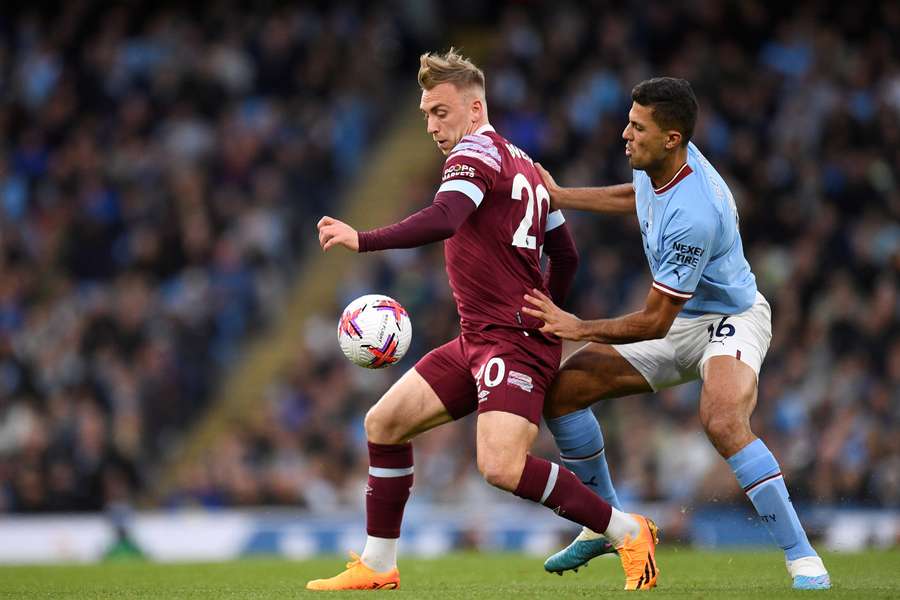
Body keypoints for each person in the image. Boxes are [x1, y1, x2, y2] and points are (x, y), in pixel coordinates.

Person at [309, 49, 659, 591]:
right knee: (384, 423)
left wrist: (364, 239)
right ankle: (378, 564)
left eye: (441, 112)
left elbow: (447, 218)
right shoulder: (527, 167)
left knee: (499, 465)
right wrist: (553, 313)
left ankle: (625, 528)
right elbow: (565, 254)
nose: (431, 125)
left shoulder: (474, 156)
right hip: (481, 339)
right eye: (426, 114)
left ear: (475, 110)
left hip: (510, 343)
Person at [522, 77, 831, 591]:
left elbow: (653, 322)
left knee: (722, 418)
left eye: (636, 126)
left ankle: (802, 557)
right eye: (628, 120)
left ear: (671, 138)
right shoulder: (659, 163)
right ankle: (605, 524)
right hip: (682, 318)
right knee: (565, 393)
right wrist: (560, 195)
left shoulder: (695, 213)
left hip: (730, 319)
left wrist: (579, 327)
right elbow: (636, 197)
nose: (624, 134)